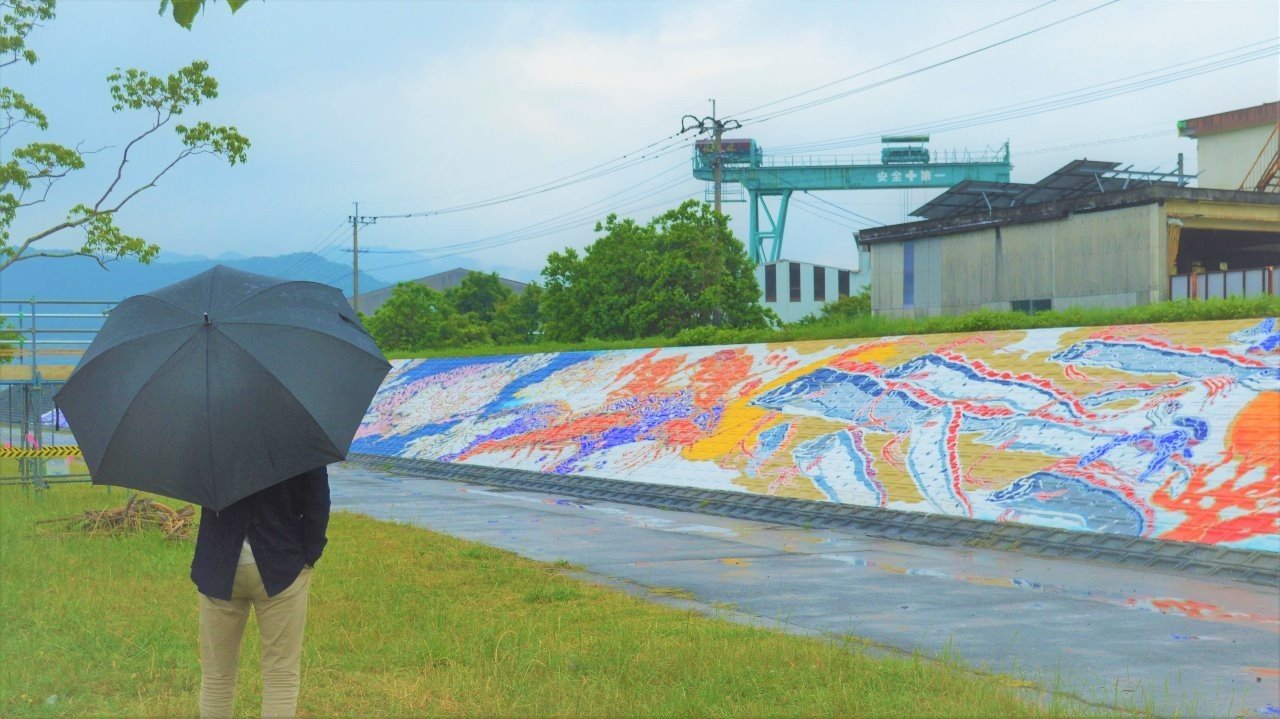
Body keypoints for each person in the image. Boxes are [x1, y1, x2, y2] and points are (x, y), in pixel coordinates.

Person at [190, 465, 330, 719]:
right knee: (281, 676)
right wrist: (310, 553)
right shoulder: (298, 429)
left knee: (216, 677)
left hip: (218, 562)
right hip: (282, 561)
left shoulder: (208, 428)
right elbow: (318, 499)